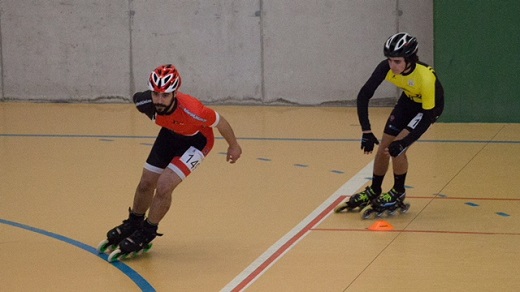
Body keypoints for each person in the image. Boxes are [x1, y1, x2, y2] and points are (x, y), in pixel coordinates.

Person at [98, 64, 242, 260]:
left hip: (197, 141)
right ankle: (134, 223)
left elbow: (221, 121)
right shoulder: (144, 103)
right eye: (155, 94)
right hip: (170, 136)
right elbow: (139, 98)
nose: (159, 100)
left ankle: (148, 230)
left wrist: (233, 145)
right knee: (146, 183)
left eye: (165, 95)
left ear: (175, 93)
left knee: (164, 186)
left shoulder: (193, 110)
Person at [335, 32, 444, 216]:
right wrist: (366, 131)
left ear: (409, 60)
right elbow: (363, 96)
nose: (392, 66)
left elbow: (426, 117)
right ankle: (375, 190)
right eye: (390, 60)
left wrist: (404, 141)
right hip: (408, 101)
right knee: (383, 148)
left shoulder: (425, 77)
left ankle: (398, 191)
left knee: (397, 148)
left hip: (427, 109)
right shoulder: (385, 67)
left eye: (397, 61)